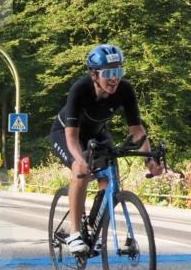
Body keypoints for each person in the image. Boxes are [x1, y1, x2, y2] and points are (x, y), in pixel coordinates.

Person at [49, 44, 164, 254]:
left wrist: (149, 159)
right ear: (94, 74)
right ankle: (75, 232)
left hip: (97, 134)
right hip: (66, 133)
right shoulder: (80, 89)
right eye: (109, 73)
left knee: (110, 178)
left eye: (118, 72)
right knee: (80, 171)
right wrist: (80, 161)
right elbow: (71, 137)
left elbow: (137, 130)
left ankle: (93, 227)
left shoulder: (125, 90)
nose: (114, 79)